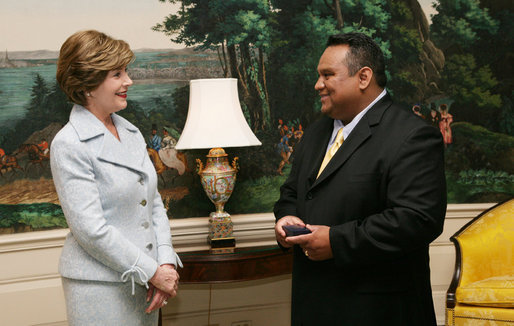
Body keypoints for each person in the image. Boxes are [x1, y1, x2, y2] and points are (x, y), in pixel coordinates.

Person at [274, 33, 446, 326]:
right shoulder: (316, 132)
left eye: (328, 75)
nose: (318, 85)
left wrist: (335, 241)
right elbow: (293, 190)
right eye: (319, 75)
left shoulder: (412, 136)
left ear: (363, 77)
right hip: (314, 306)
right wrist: (286, 215)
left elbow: (416, 219)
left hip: (377, 311)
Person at [51, 30, 182, 326]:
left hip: (148, 283)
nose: (129, 81)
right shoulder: (69, 144)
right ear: (88, 84)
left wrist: (165, 262)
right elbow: (90, 229)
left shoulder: (132, 133)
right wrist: (152, 271)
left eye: (126, 71)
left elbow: (154, 204)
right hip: (99, 288)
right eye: (117, 74)